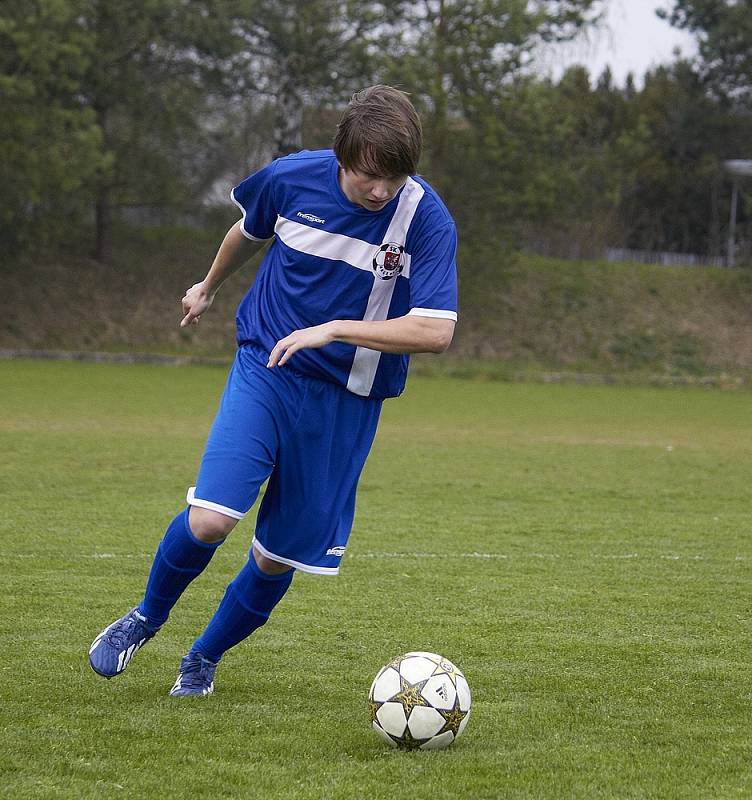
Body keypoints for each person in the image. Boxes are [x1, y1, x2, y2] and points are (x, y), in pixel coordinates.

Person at [88, 85, 458, 696]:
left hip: (347, 400)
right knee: (210, 520)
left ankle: (202, 659)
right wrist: (208, 286)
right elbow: (246, 231)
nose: (381, 190)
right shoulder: (291, 179)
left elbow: (436, 330)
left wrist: (335, 329)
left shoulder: (426, 219)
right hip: (268, 368)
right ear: (342, 157)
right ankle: (143, 619)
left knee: (275, 557)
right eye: (370, 176)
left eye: (394, 177)